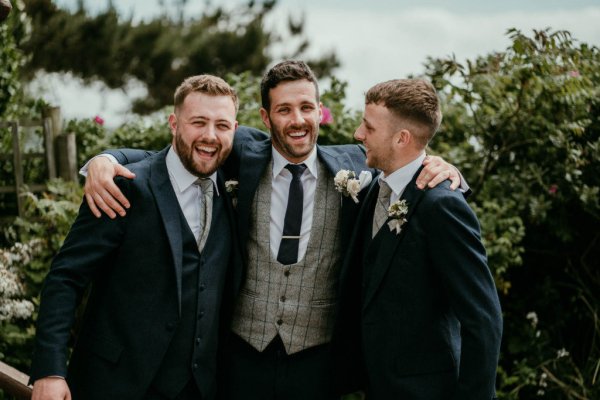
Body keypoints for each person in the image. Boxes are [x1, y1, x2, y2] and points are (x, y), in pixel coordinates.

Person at [82, 61, 465, 399]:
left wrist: (450, 172)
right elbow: (170, 156)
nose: (296, 119)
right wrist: (106, 158)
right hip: (240, 358)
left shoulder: (359, 167)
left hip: (319, 363)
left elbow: (409, 162)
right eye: (284, 110)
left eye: (305, 108)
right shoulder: (242, 153)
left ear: (320, 112)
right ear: (266, 119)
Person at [29, 75, 243, 400]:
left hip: (198, 390)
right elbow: (66, 278)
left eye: (222, 125)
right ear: (174, 123)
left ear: (235, 129)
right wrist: (50, 371)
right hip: (115, 384)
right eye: (198, 122)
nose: (210, 136)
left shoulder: (233, 186)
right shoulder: (124, 187)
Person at [343, 78, 502, 399]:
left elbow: (483, 320)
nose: (358, 135)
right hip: (378, 386)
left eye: (369, 128)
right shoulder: (375, 186)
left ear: (402, 138)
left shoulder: (442, 206)